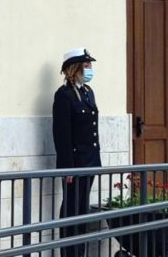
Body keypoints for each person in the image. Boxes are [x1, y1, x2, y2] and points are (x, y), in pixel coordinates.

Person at [52, 48, 101, 257]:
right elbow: (62, 134)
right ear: (75, 68)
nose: (90, 69)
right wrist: (67, 167)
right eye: (86, 65)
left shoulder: (88, 92)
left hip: (90, 161)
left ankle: (79, 252)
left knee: (82, 209)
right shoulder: (64, 95)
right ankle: (69, 253)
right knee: (71, 209)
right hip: (74, 164)